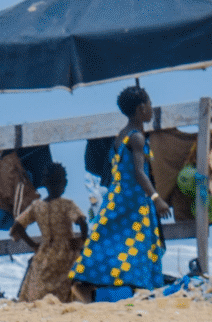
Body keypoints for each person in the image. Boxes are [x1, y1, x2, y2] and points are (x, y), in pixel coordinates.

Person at [69, 83, 172, 299]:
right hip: (134, 201)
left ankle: (91, 285)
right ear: (140, 108)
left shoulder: (121, 136)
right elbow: (139, 173)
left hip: (117, 198)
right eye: (150, 104)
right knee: (139, 245)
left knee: (110, 240)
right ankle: (138, 289)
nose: (152, 109)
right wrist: (156, 199)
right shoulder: (136, 137)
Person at [11, 165, 87, 302]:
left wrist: (33, 245)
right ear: (64, 183)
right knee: (70, 284)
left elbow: (17, 226)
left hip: (45, 251)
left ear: (45, 183)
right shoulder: (67, 204)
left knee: (39, 286)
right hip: (66, 251)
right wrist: (82, 241)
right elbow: (82, 222)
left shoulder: (37, 206)